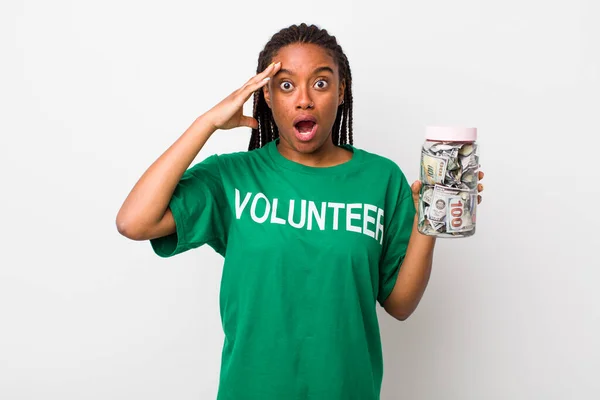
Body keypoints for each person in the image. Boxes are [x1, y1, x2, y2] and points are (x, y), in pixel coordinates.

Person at [116, 23, 485, 400]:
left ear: (341, 92)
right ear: (267, 96)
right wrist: (207, 122)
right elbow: (133, 221)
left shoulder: (381, 178)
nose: (304, 99)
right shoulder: (233, 176)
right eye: (286, 85)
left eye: (321, 83)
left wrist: (429, 221)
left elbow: (401, 304)